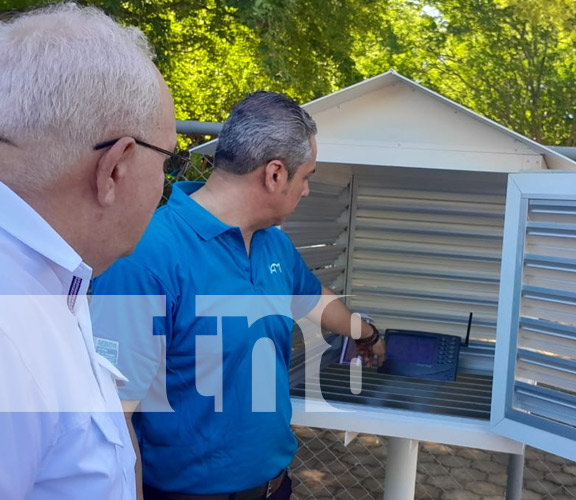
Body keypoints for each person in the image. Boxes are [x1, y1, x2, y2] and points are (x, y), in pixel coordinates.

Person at [90, 91, 386, 500]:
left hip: (273, 486)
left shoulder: (272, 245)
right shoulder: (146, 257)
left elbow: (311, 297)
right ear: (275, 174)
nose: (306, 191)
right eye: (307, 177)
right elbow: (113, 416)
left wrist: (363, 332)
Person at [0, 3, 177, 499]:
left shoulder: (50, 281)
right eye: (168, 160)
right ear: (116, 168)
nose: (165, 181)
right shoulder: (12, 326)